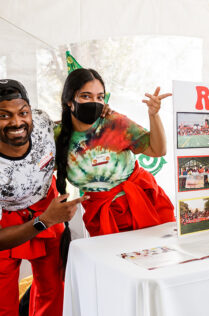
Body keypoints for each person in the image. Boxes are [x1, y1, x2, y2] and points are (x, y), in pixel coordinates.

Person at [0, 79, 88, 316]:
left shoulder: (42, 122)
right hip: (5, 220)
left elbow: (76, 127)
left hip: (43, 203)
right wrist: (45, 220)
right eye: (4, 115)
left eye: (22, 112)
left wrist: (104, 114)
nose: (17, 122)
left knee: (54, 289)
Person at [55, 68, 175, 237]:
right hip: (102, 216)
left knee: (160, 259)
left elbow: (158, 150)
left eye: (100, 97)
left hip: (145, 203)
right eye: (86, 96)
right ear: (69, 100)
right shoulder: (56, 136)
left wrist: (154, 115)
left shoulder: (114, 122)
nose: (94, 102)